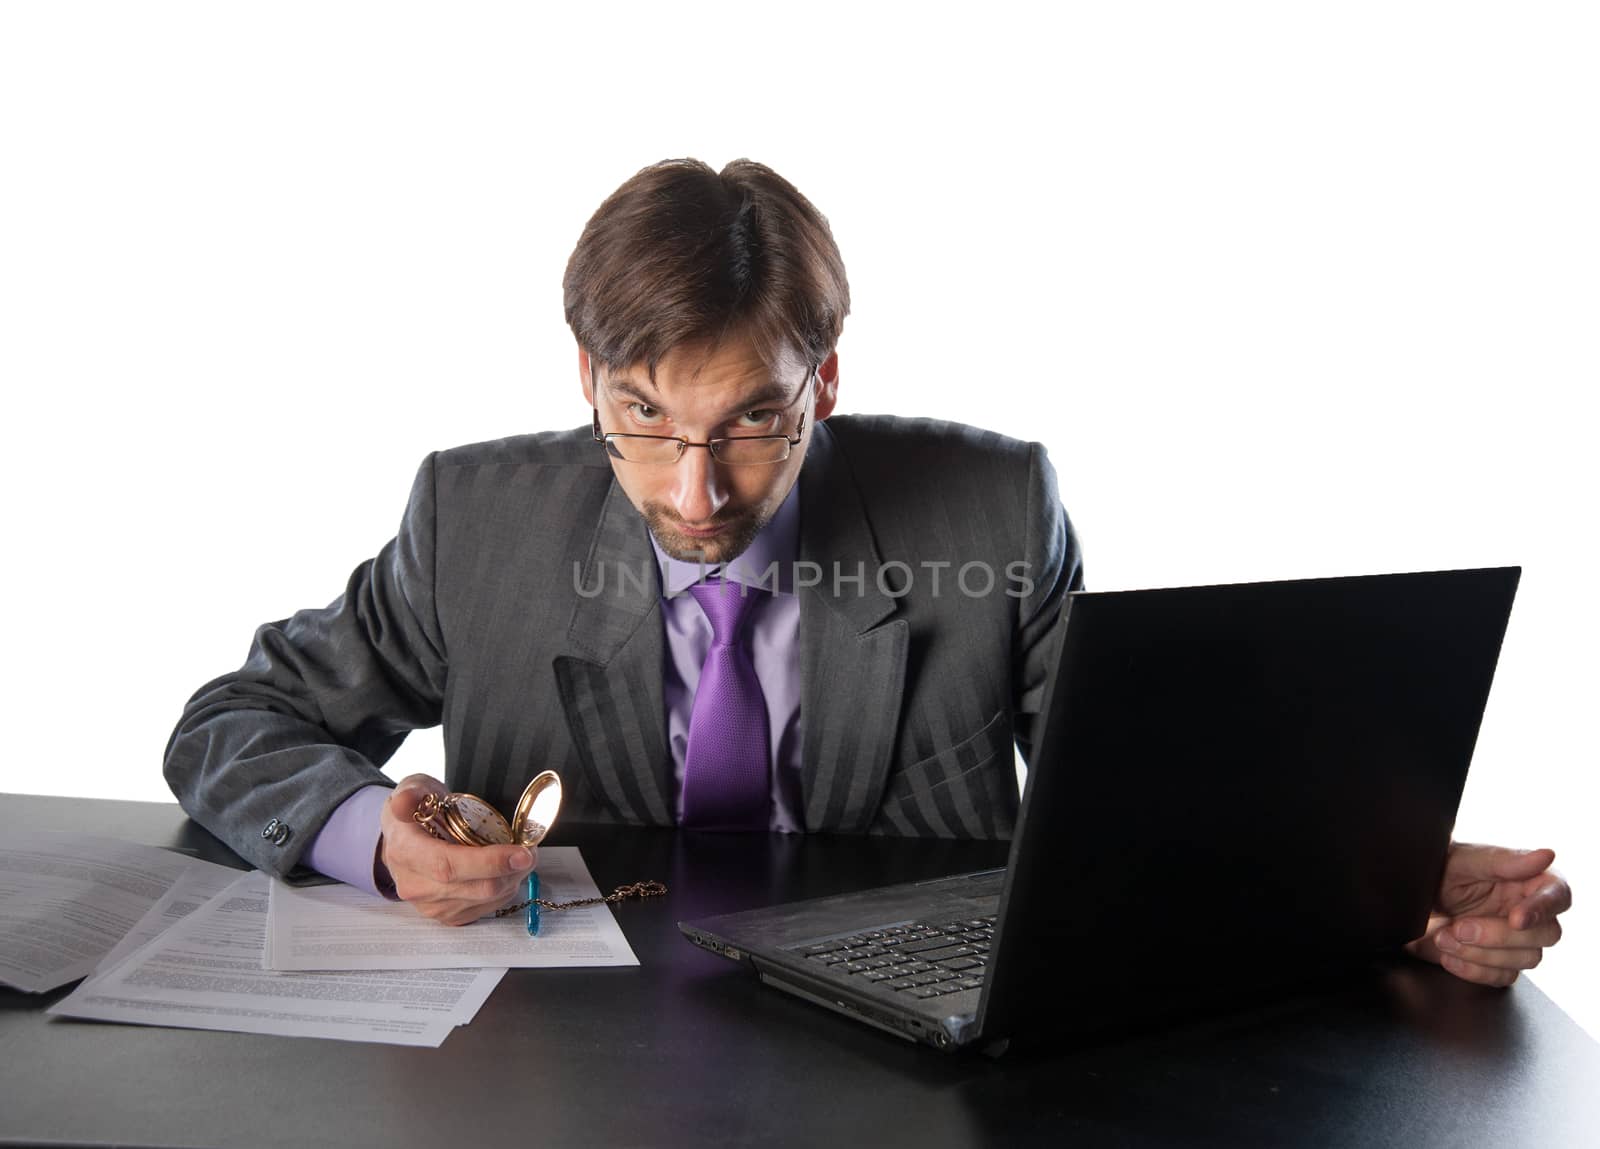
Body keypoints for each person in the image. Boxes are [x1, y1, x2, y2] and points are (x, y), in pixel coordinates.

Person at [164, 157, 1570, 988]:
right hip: (552, 1077)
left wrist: (1384, 877)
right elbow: (232, 724)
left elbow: (1147, 799)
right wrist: (377, 843)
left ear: (824, 379)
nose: (694, 491)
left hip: (906, 1073)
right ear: (585, 375)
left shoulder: (995, 505)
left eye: (752, 423)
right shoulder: (471, 517)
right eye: (643, 418)